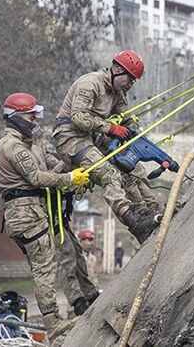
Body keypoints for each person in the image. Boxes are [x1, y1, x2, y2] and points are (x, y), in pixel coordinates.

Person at [0, 93, 98, 342]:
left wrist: (74, 162)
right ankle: (54, 324)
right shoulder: (11, 146)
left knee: (44, 267)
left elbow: (52, 166)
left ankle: (55, 320)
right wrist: (70, 180)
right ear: (16, 118)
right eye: (31, 116)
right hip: (26, 213)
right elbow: (38, 178)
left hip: (27, 213)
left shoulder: (32, 148)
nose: (34, 120)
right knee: (45, 270)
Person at [53, 50, 159, 243]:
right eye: (130, 78)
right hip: (71, 135)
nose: (131, 84)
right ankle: (133, 222)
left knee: (131, 163)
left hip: (94, 135)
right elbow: (78, 118)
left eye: (134, 81)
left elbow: (127, 117)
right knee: (108, 174)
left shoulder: (118, 92)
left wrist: (135, 137)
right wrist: (110, 128)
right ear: (117, 70)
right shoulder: (90, 84)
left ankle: (150, 211)